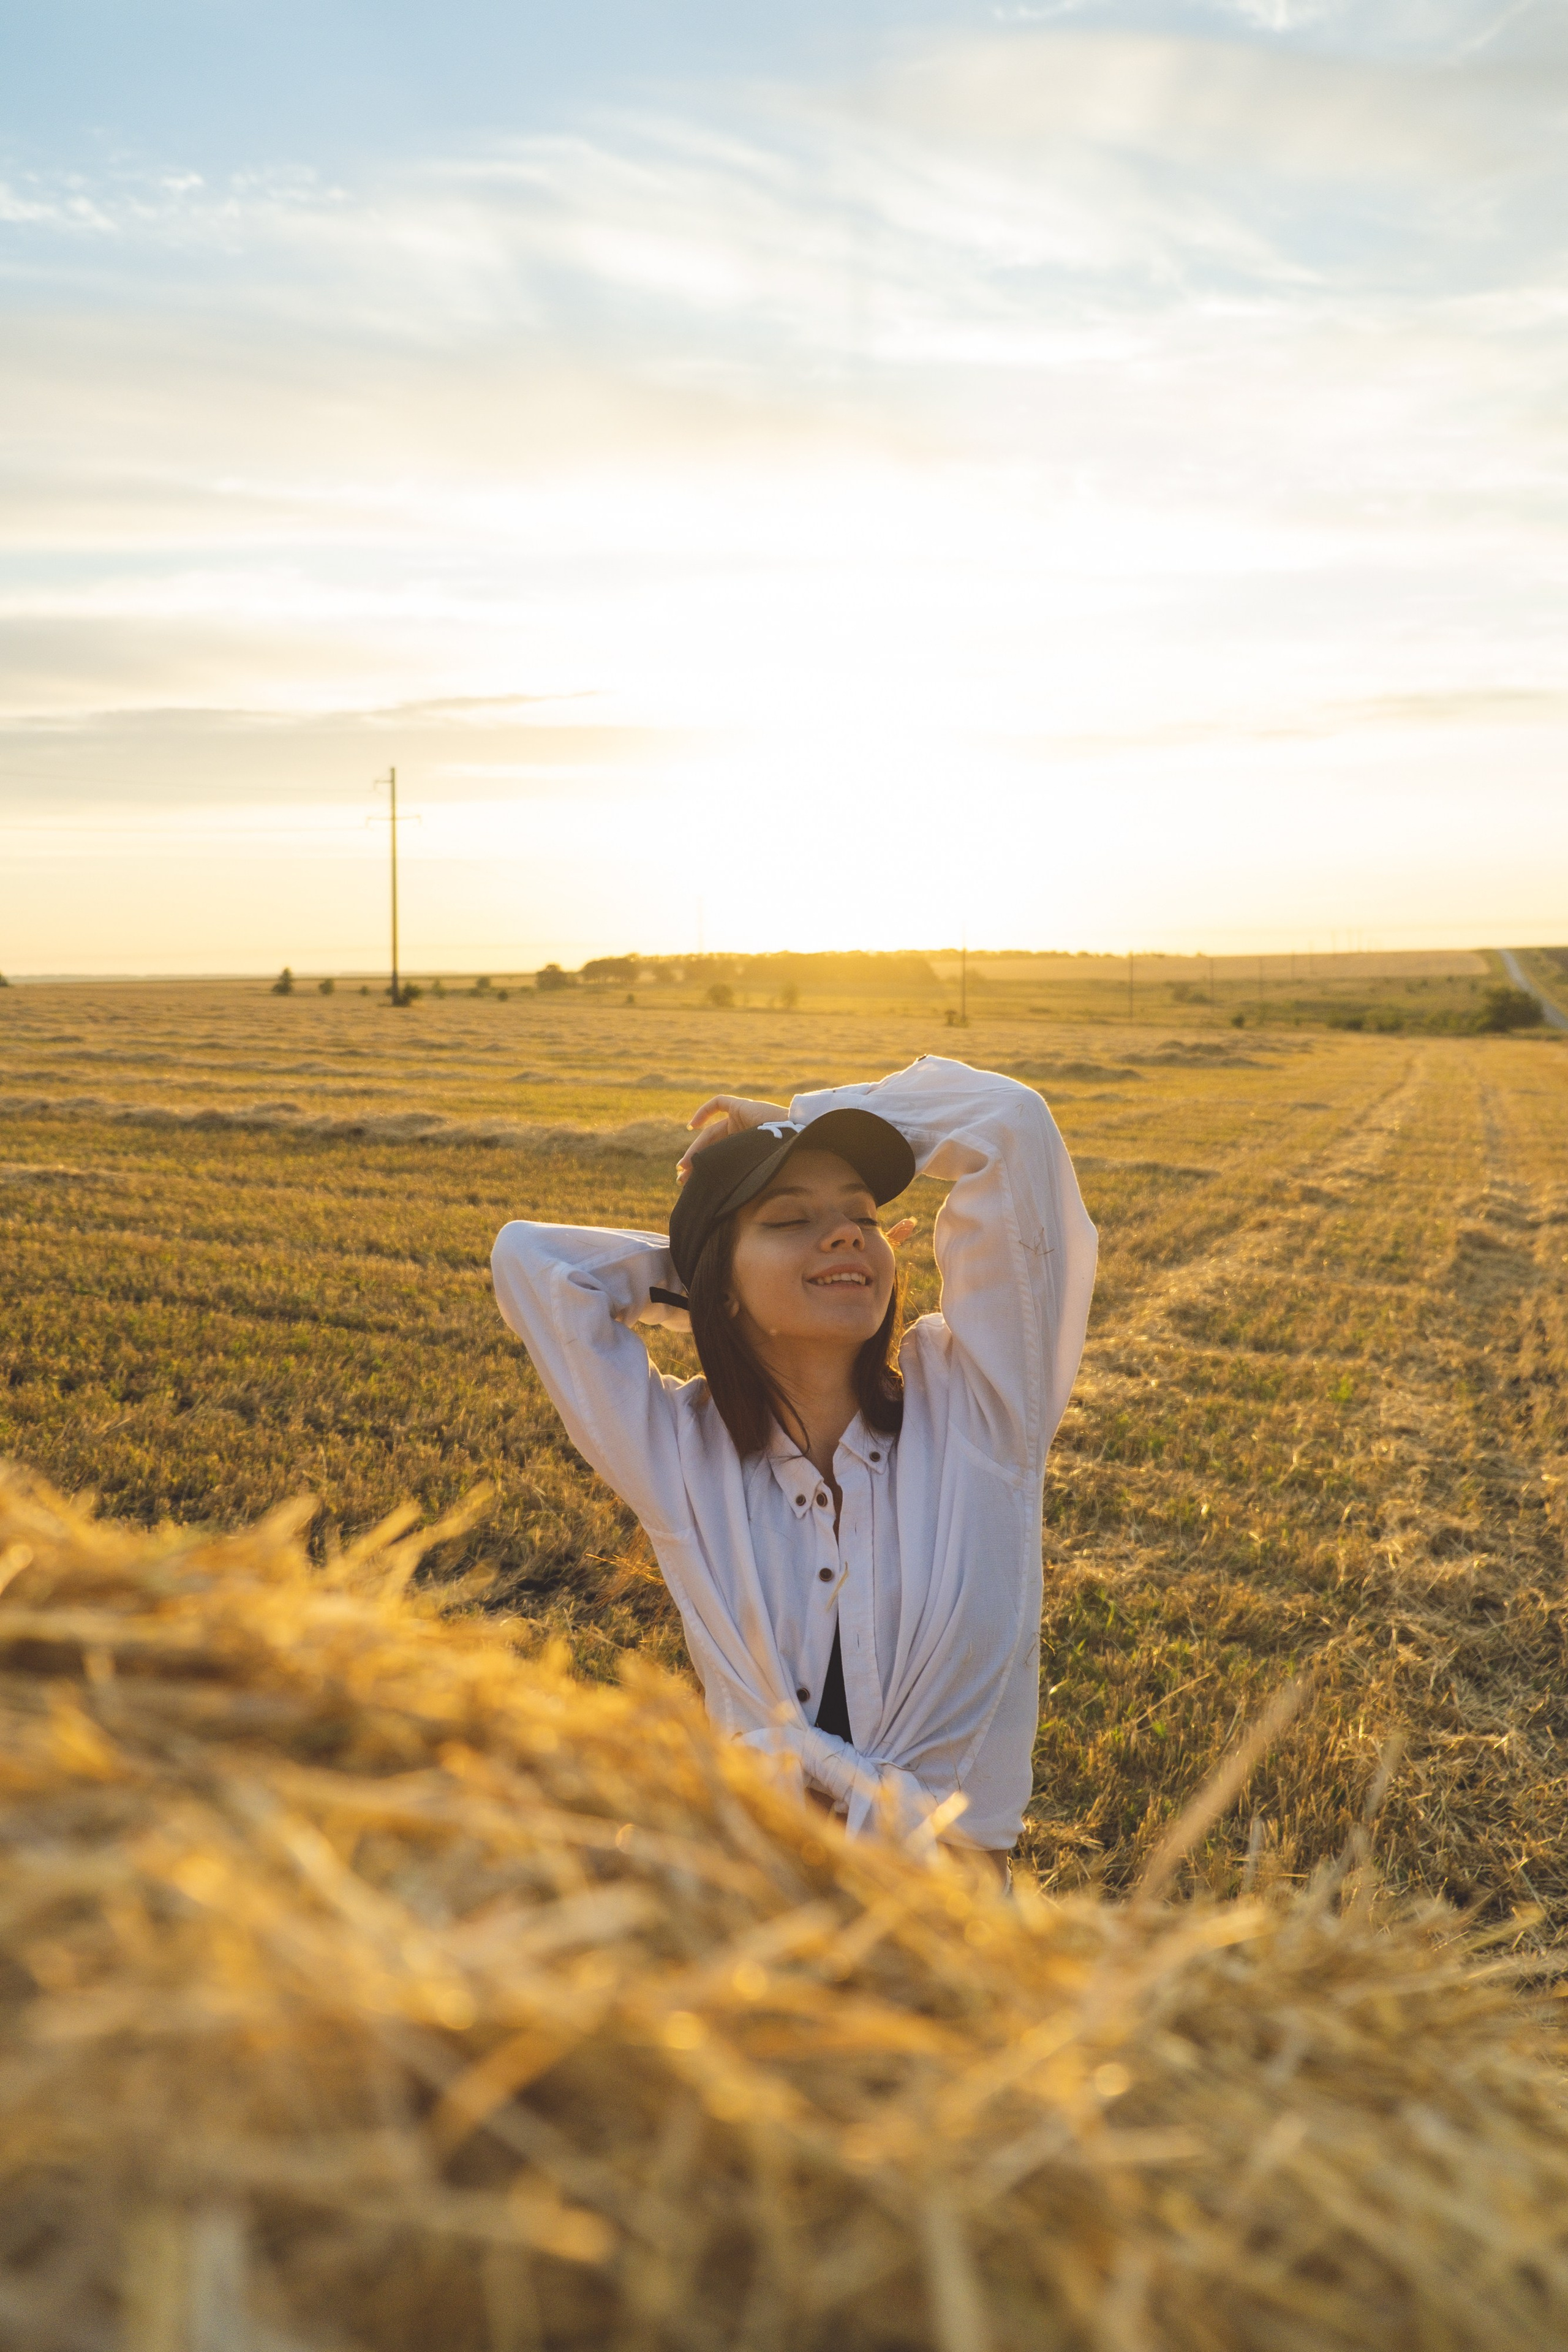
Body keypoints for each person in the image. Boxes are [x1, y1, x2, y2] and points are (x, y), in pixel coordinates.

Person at [490, 1057, 1096, 1877]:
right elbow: (535, 1265)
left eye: (864, 1219)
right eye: (790, 1220)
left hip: (954, 1940)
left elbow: (1010, 1123)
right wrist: (708, 1277)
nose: (847, 1231)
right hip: (744, 1915)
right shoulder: (680, 1455)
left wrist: (801, 1119)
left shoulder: (984, 1410)